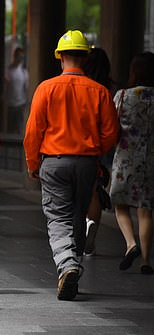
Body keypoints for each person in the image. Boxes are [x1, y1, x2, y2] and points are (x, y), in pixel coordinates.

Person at [24, 30, 119, 300]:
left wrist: (33, 163)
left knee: (58, 217)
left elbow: (33, 132)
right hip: (88, 162)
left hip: (54, 162)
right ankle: (73, 265)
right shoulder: (100, 91)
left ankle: (68, 265)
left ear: (61, 57)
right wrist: (95, 151)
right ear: (85, 58)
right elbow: (111, 132)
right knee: (77, 215)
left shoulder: (46, 88)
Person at [110, 52, 154, 275]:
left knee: (120, 204)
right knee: (146, 211)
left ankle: (130, 243)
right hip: (150, 160)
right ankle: (146, 260)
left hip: (125, 158)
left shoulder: (123, 95)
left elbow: (111, 125)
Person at [82, 47, 115, 255]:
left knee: (72, 193)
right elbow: (112, 128)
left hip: (78, 145)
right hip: (102, 148)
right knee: (94, 190)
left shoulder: (84, 88)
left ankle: (80, 227)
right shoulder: (108, 91)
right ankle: (91, 225)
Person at [4, 46, 28, 134]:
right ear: (14, 56)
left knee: (19, 128)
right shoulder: (8, 71)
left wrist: (26, 102)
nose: (20, 58)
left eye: (21, 56)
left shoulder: (24, 72)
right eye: (18, 56)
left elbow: (26, 88)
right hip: (10, 103)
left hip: (21, 103)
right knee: (10, 128)